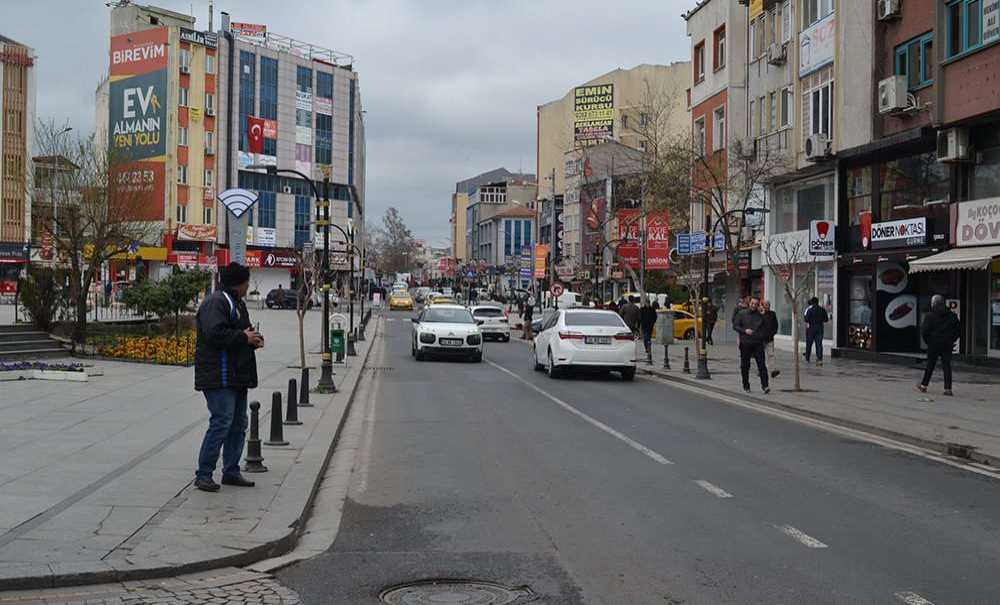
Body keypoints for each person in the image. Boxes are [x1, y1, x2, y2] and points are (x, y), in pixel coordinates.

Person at [193, 262, 263, 493]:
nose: (248, 285)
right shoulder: (217, 302)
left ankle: (231, 470)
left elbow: (243, 331)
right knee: (221, 422)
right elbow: (215, 333)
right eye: (246, 281)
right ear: (239, 283)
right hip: (219, 374)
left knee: (238, 424)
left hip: (236, 375)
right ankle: (204, 474)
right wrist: (244, 338)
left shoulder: (237, 303)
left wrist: (253, 338)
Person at [918, 294, 961, 396]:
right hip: (947, 344)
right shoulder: (952, 316)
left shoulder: (930, 316)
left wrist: (929, 341)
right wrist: (952, 339)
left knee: (930, 364)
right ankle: (948, 389)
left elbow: (924, 332)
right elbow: (958, 330)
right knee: (946, 365)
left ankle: (924, 385)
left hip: (934, 344)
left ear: (934, 304)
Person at [733, 297, 770, 394]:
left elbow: (767, 327)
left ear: (758, 305)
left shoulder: (761, 315)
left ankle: (765, 385)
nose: (754, 305)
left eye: (756, 304)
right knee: (745, 366)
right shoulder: (742, 313)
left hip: (758, 343)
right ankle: (746, 385)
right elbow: (735, 326)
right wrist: (744, 330)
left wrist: (764, 314)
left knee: (762, 365)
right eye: (752, 303)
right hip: (745, 343)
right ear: (749, 303)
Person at [803, 296, 830, 366]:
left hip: (811, 329)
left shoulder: (810, 310)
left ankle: (807, 358)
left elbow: (806, 319)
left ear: (812, 302)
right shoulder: (822, 309)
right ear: (817, 302)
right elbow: (826, 319)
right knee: (819, 345)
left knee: (809, 344)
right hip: (819, 329)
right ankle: (819, 359)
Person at [760, 300, 780, 378]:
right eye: (765, 305)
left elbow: (776, 325)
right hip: (761, 338)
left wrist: (773, 333)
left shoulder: (772, 314)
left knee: (771, 355)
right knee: (761, 355)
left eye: (768, 305)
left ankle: (772, 370)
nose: (767, 306)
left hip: (769, 338)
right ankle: (761, 370)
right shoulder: (760, 314)